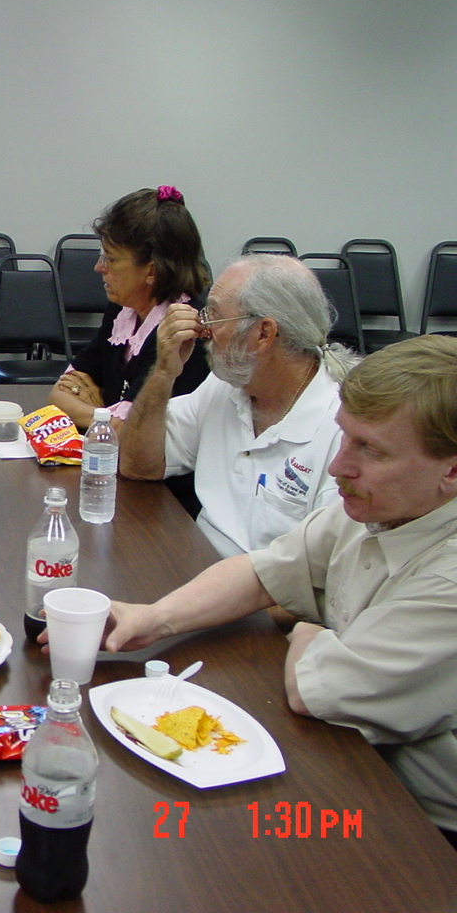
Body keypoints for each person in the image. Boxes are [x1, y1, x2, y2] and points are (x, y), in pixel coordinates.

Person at [78, 336, 457, 846]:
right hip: (350, 758)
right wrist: (153, 617)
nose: (338, 467)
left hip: (419, 822)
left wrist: (309, 629)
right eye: (345, 438)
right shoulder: (386, 504)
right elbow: (263, 573)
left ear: (451, 470)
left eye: (370, 449)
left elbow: (318, 691)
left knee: (189, 839)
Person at [119, 252, 360, 558]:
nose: (202, 328)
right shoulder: (227, 384)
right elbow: (138, 466)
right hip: (197, 561)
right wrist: (164, 373)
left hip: (263, 586)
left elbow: (324, 571)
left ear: (263, 333)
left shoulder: (344, 428)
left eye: (213, 315)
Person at [49, 186, 211, 431]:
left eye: (110, 258)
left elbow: (136, 430)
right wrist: (106, 417)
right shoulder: (121, 311)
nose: (99, 267)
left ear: (152, 270)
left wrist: (97, 411)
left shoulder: (184, 330)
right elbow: (59, 396)